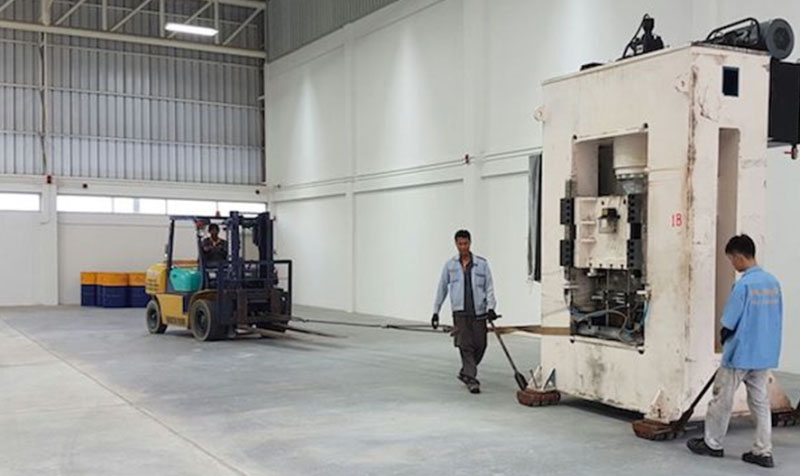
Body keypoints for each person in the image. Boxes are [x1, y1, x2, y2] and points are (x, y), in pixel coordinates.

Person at [687, 234, 783, 468]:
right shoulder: (773, 282)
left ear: (739, 257)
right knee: (760, 404)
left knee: (722, 398)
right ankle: (763, 451)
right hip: (763, 353)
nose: (733, 264)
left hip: (740, 353)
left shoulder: (744, 285)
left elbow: (730, 321)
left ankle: (712, 444)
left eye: (732, 260)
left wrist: (723, 335)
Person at [432, 229, 498, 394]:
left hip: (479, 312)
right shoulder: (450, 265)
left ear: (470, 243)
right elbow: (442, 288)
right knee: (465, 346)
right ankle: (472, 379)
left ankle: (466, 372)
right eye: (460, 244)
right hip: (460, 313)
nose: (463, 247)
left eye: (465, 243)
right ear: (456, 244)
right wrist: (436, 311)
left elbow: (489, 287)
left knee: (481, 345)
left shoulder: (482, 264)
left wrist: (491, 308)